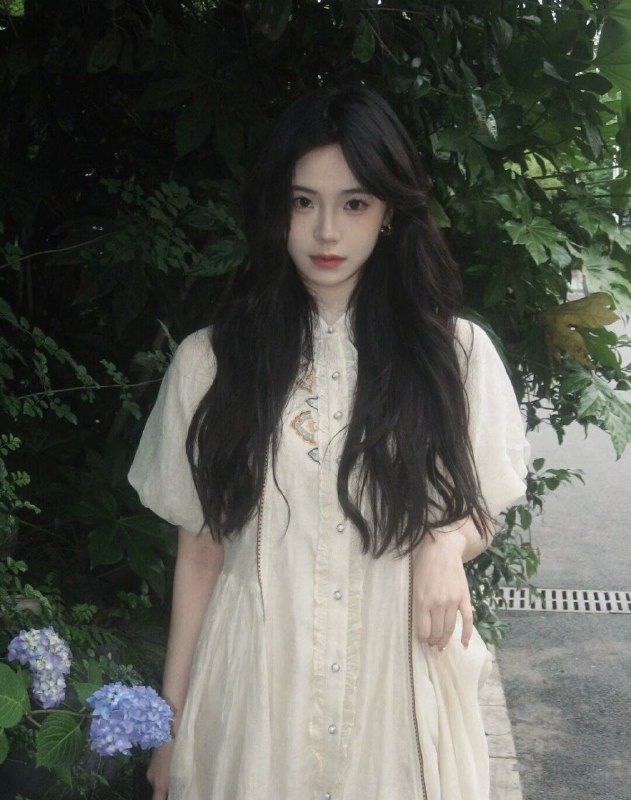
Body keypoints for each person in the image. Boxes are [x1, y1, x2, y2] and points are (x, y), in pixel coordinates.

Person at [127, 83, 530, 800]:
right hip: (254, 703)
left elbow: (484, 507)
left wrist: (444, 543)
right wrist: (170, 722)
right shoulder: (210, 364)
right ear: (275, 207)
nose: (325, 233)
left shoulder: (456, 357)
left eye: (354, 203)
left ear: (389, 212)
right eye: (302, 201)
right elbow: (201, 549)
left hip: (398, 699)